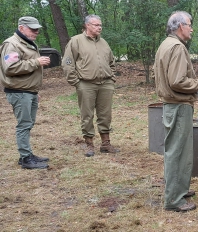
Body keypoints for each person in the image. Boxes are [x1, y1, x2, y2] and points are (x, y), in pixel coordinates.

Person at [154, 11, 198, 212]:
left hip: (173, 104)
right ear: (180, 26)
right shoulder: (177, 47)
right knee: (178, 152)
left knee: (177, 150)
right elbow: (177, 81)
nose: (192, 28)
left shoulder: (166, 44)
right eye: (189, 24)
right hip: (179, 105)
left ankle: (178, 189)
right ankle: (174, 200)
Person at [62, 15, 118, 157]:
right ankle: (89, 144)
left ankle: (106, 143)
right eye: (95, 25)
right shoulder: (76, 41)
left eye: (100, 25)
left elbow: (111, 62)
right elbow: (68, 63)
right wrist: (76, 82)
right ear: (87, 25)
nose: (99, 27)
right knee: (87, 115)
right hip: (85, 84)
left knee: (105, 114)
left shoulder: (104, 42)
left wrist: (111, 78)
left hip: (105, 84)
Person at [0, 16, 51, 169]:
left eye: (37, 29)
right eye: (32, 29)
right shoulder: (11, 44)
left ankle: (27, 155)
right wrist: (36, 62)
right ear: (21, 28)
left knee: (28, 123)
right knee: (24, 125)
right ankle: (25, 158)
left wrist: (34, 91)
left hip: (28, 91)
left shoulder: (28, 43)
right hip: (19, 91)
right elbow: (10, 68)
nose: (36, 32)